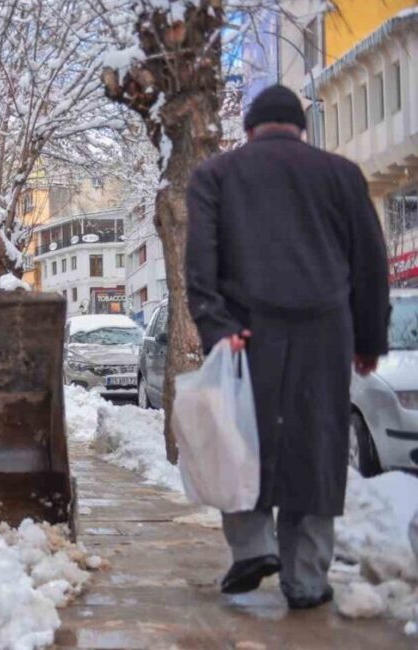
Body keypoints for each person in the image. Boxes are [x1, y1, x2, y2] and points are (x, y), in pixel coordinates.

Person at [186, 84, 390, 609]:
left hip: (247, 333)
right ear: (299, 128)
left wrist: (217, 326)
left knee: (240, 439)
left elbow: (200, 265)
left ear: (249, 128)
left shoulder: (216, 175)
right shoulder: (342, 175)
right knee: (315, 449)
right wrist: (368, 339)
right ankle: (306, 580)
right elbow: (370, 266)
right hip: (326, 332)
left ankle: (253, 548)